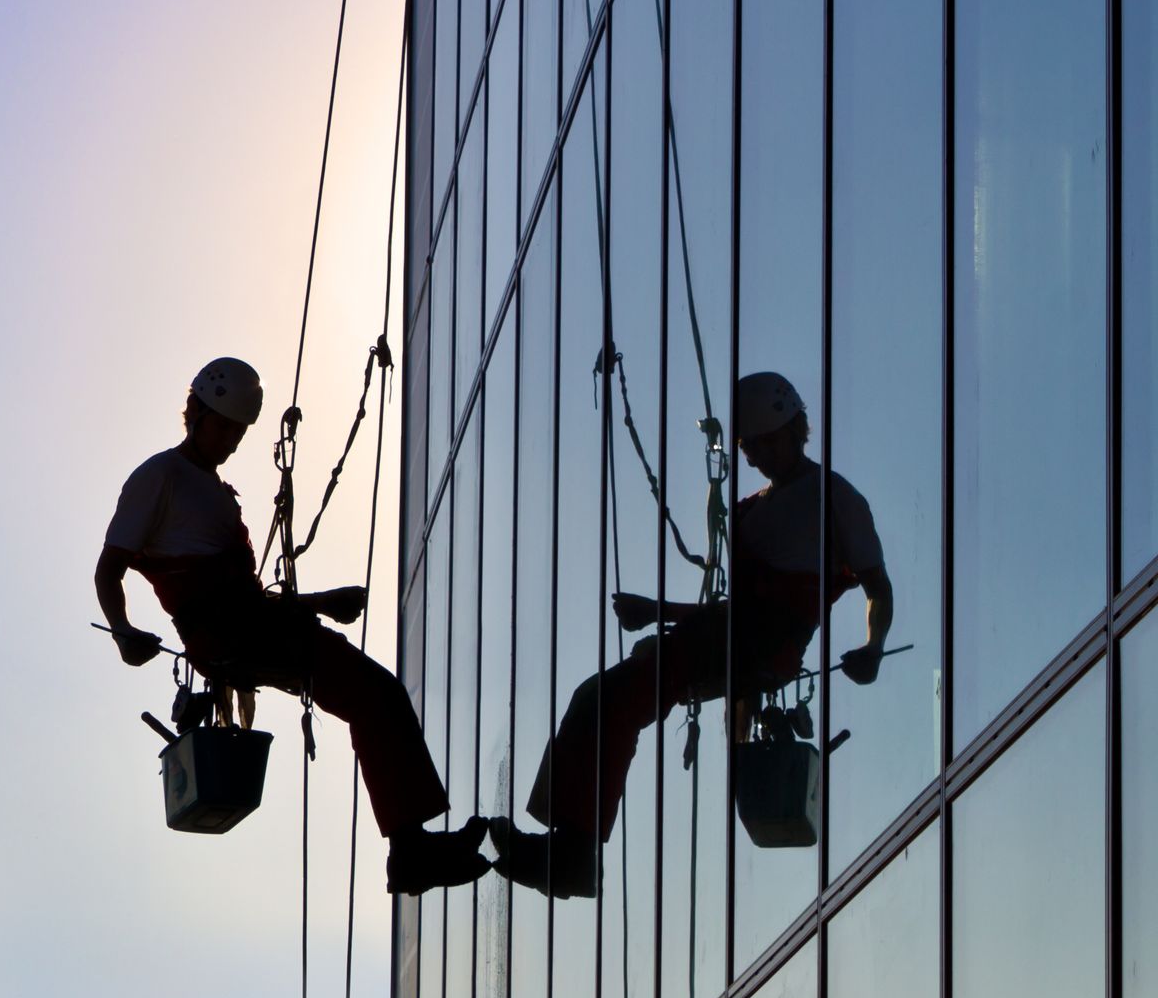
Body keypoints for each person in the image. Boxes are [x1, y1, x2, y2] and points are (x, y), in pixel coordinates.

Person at [491, 371, 894, 897]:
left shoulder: (836, 499)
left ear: (796, 430)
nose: (757, 458)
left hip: (758, 645)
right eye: (751, 448)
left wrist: (874, 646)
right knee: (598, 697)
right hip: (734, 638)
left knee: (616, 698)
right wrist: (658, 610)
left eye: (765, 443)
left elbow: (876, 586)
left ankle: (573, 853)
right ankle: (569, 846)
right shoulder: (751, 511)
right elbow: (736, 610)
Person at [96, 357, 489, 895]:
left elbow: (244, 598)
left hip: (246, 627)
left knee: (374, 694)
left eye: (240, 431)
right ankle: (410, 849)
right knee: (372, 692)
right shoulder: (159, 477)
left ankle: (412, 844)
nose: (233, 440)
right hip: (231, 632)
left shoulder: (212, 489)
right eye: (225, 426)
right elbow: (109, 569)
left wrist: (320, 603)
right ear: (196, 413)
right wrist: (122, 631)